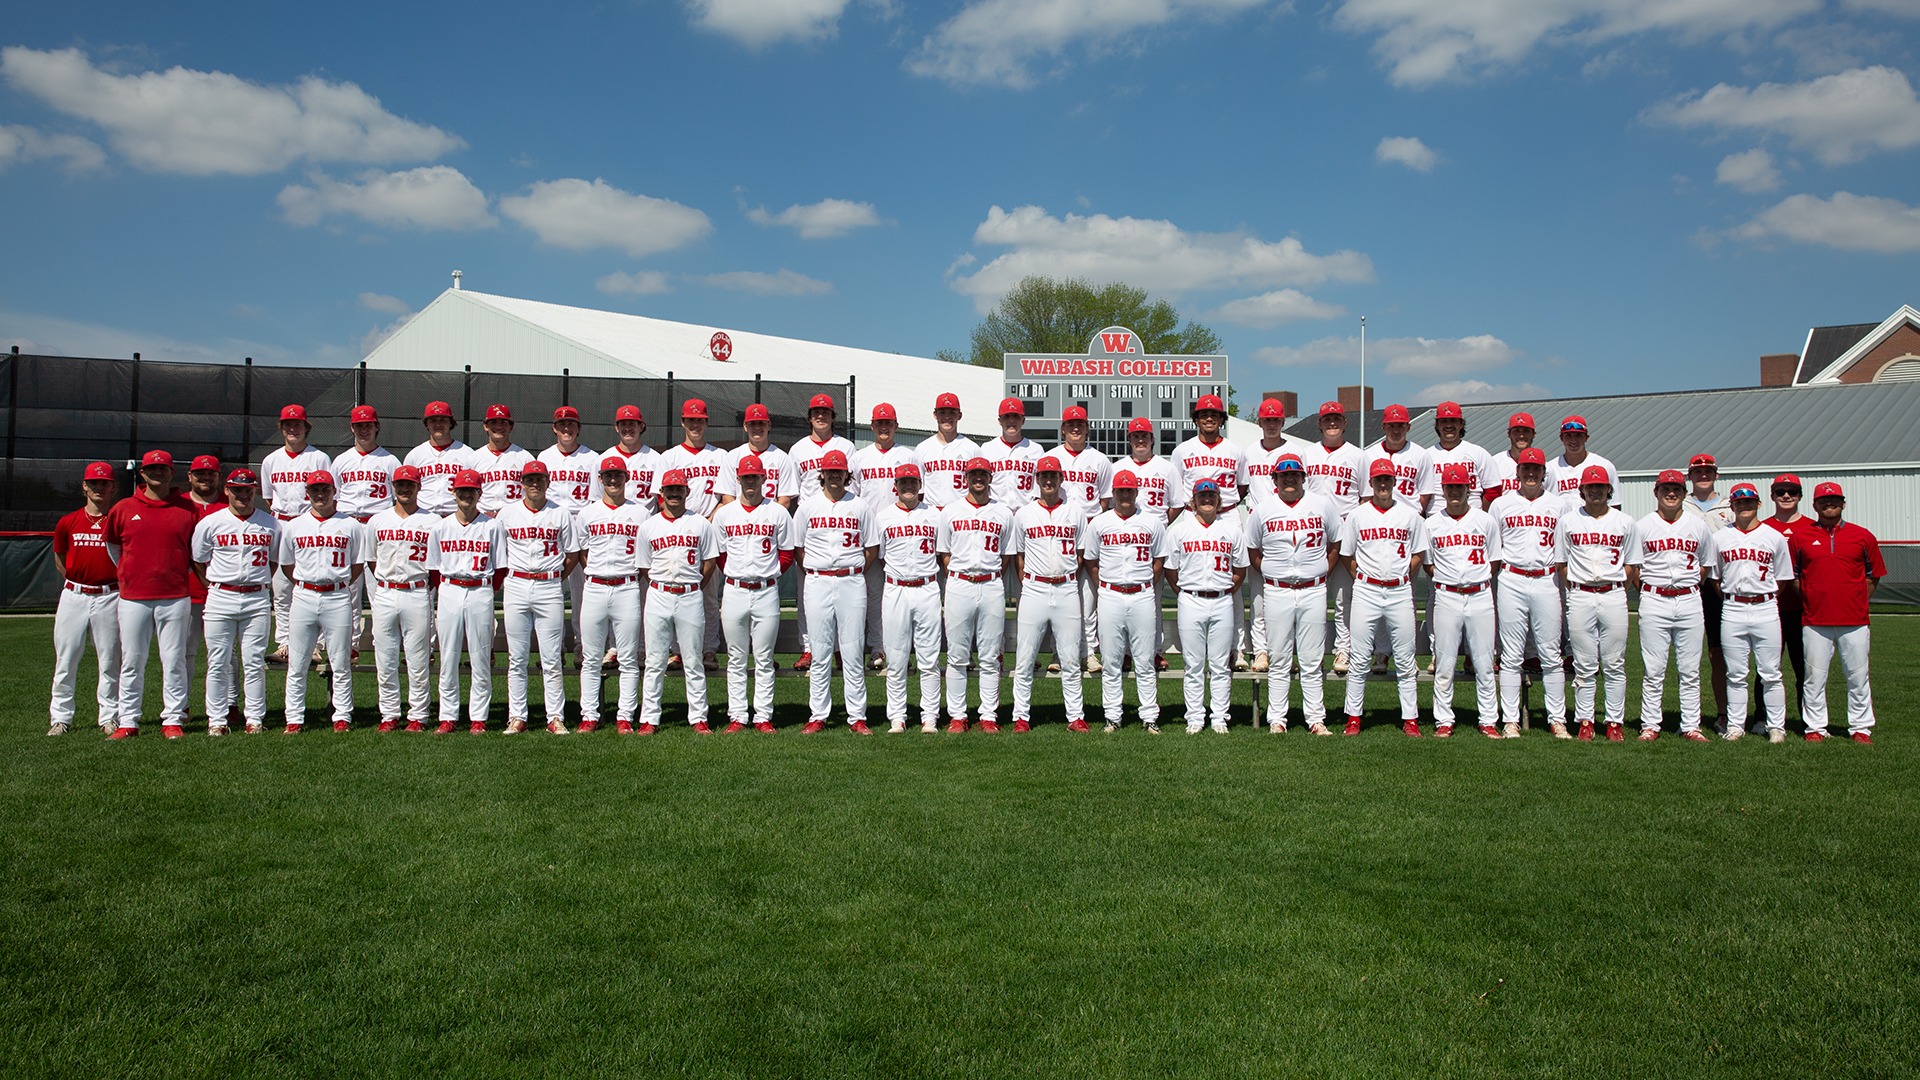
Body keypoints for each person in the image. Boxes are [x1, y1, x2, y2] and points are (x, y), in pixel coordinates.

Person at [105, 450, 199, 739]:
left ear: (173, 473)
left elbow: (195, 552)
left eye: (163, 468)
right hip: (133, 597)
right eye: (151, 469)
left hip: (174, 595)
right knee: (132, 660)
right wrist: (132, 574)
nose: (157, 473)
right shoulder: (122, 508)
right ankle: (128, 721)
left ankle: (173, 719)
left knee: (174, 660)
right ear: (142, 473)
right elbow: (114, 549)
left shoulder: (188, 509)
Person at [1245, 454, 1339, 734]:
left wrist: (1320, 571)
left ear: (1303, 477)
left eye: (1295, 474)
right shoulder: (1262, 509)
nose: (1289, 479)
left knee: (1311, 658)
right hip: (1278, 589)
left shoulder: (1322, 505)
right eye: (1284, 475)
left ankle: (1315, 719)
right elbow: (1253, 550)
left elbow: (1335, 544)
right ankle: (1277, 719)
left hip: (1313, 589)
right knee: (1279, 657)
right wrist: (1273, 573)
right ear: (1274, 479)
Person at [1338, 460, 1429, 736]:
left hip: (1399, 590)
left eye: (1387, 479)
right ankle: (1353, 717)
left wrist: (1402, 576)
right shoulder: (1358, 515)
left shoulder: (1411, 515)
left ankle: (1410, 719)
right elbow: (1346, 555)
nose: (1383, 485)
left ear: (1394, 482)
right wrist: (1364, 578)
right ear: (1372, 483)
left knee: (1404, 656)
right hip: (1367, 589)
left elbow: (1418, 553)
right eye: (1378, 480)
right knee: (1360, 657)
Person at [1793, 482, 1886, 743]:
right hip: (1815, 620)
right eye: (1823, 500)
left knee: (1858, 677)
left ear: (1843, 503)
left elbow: (1873, 576)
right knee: (1814, 677)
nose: (1829, 504)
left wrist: (1854, 600)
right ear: (1814, 505)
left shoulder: (1863, 536)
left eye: (1834, 500)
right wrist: (1814, 598)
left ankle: (1860, 727)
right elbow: (1795, 578)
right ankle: (1815, 727)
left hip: (1854, 620)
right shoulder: (1801, 537)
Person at [496, 460, 582, 735]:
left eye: (539, 479)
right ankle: (517, 716)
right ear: (521, 482)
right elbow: (499, 554)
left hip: (548, 586)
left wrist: (556, 576)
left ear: (548, 481)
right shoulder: (506, 514)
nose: (535, 483)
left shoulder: (561, 513)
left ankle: (555, 717)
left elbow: (571, 555)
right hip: (517, 584)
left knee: (551, 657)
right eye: (530, 479)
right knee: (517, 657)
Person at [277, 470, 367, 733]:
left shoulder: (349, 525)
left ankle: (342, 716)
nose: (320, 494)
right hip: (304, 594)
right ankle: (293, 718)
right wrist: (307, 584)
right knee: (298, 662)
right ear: (307, 492)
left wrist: (335, 583)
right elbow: (287, 565)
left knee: (340, 662)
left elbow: (357, 565)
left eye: (325, 489)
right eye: (315, 489)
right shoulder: (294, 526)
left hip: (337, 595)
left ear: (334, 491)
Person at [1488, 448, 1569, 737]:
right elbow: (1493, 547)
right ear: (1517, 472)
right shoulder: (1501, 504)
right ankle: (1510, 719)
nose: (1531, 473)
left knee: (1550, 653)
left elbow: (1565, 548)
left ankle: (1556, 718)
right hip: (1512, 577)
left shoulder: (1559, 505)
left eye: (1536, 469)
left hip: (1546, 580)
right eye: (1526, 469)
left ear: (1544, 473)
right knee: (1510, 655)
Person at [190, 468, 278, 735]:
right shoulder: (210, 522)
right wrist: (213, 586)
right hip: (221, 596)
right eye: (237, 489)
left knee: (253, 661)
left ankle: (254, 719)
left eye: (248, 489)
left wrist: (258, 582)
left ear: (255, 492)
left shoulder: (271, 523)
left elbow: (273, 561)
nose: (243, 494)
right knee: (218, 661)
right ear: (227, 490)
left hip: (256, 597)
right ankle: (216, 720)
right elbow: (198, 559)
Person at [793, 449, 875, 733]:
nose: (835, 475)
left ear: (846, 474)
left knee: (852, 650)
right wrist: (816, 571)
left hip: (851, 580)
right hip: (817, 580)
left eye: (839, 471)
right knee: (820, 649)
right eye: (830, 471)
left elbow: (872, 547)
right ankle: (818, 715)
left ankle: (857, 716)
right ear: (822, 474)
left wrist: (852, 569)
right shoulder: (808, 507)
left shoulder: (860, 505)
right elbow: (798, 548)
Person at [1710, 483, 1797, 742]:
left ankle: (1776, 727)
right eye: (1739, 502)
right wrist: (1732, 597)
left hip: (1766, 607)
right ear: (1732, 506)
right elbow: (1715, 578)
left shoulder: (1773, 536)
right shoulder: (1720, 537)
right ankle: (1736, 725)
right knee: (1735, 673)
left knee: (1771, 672)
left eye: (1749, 502)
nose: (1744, 506)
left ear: (1758, 504)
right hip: (1733, 607)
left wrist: (1765, 598)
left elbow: (1782, 578)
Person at [710, 455, 791, 734]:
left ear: (763, 479)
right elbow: (720, 555)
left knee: (764, 657)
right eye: (746, 477)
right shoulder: (724, 514)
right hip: (734, 589)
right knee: (735, 657)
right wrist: (736, 574)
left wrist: (768, 575)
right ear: (739, 480)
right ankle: (737, 716)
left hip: (766, 591)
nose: (750, 482)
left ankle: (763, 716)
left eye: (755, 477)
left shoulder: (777, 512)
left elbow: (788, 554)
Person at [1557, 466, 1639, 742]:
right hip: (1580, 594)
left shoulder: (1624, 521)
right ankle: (1586, 721)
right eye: (1590, 487)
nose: (1595, 491)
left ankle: (1614, 722)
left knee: (1615, 662)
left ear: (1609, 490)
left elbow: (1631, 565)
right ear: (1581, 491)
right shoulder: (1568, 521)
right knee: (1584, 663)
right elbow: (1561, 564)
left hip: (1613, 593)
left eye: (1600, 487)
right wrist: (1579, 587)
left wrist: (1614, 585)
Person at [1633, 470, 1716, 741]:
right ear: (1656, 492)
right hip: (1654, 598)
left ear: (1684, 493)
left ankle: (1691, 725)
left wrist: (1687, 585)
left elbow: (1705, 564)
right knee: (1654, 668)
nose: (1671, 493)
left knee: (1690, 668)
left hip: (1689, 598)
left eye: (1677, 489)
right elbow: (1634, 567)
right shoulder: (1643, 525)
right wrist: (1648, 590)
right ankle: (1650, 724)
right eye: (1666, 489)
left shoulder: (1698, 525)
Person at [1170, 394, 1250, 670]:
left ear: (1221, 420)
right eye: (1204, 414)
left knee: (1232, 589)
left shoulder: (1235, 450)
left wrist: (1221, 507)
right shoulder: (1182, 451)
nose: (1209, 418)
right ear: (1196, 419)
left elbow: (1242, 488)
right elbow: (1178, 488)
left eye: (1214, 414)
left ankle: (1236, 649)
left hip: (1227, 515)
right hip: (1193, 516)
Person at [1008, 456, 1088, 732]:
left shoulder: (1075, 512)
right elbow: (1019, 556)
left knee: (1069, 656)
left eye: (1053, 475)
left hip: (1066, 587)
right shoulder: (1024, 514)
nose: (1049, 480)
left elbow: (1081, 555)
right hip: (1034, 587)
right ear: (1037, 480)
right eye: (1044, 476)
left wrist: (1065, 577)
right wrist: (1031, 581)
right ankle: (1021, 716)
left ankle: (1075, 716)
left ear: (1061, 478)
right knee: (1025, 656)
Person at [637, 470, 720, 733]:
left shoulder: (701, 524)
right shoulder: (649, 525)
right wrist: (662, 585)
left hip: (689, 594)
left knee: (693, 659)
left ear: (687, 492)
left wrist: (693, 586)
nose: (674, 494)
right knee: (655, 660)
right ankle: (650, 718)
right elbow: (643, 566)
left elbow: (710, 562)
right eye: (669, 489)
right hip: (659, 593)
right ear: (661, 493)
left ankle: (698, 717)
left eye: (679, 489)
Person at [1163, 479, 1248, 733]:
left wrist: (1226, 589)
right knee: (1193, 664)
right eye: (1202, 496)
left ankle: (1220, 717)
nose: (1207, 500)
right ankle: (1195, 717)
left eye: (1211, 495)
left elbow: (1240, 569)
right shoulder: (1180, 530)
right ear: (1194, 501)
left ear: (1219, 500)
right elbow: (1170, 569)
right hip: (1191, 599)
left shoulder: (1232, 530)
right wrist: (1185, 591)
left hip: (1222, 600)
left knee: (1221, 664)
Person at [1085, 469, 1166, 732]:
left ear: (1136, 492)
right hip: (1110, 594)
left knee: (1144, 659)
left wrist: (1143, 584)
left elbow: (1159, 560)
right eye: (1120, 491)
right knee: (1111, 660)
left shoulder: (1152, 522)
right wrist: (1106, 586)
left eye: (1129, 490)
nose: (1125, 495)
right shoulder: (1099, 522)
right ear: (1114, 493)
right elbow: (1091, 561)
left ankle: (1149, 717)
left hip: (1142, 594)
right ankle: (1113, 716)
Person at [1423, 464, 1500, 738]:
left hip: (1480, 594)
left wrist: (1474, 580)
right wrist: (1449, 579)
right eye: (1450, 487)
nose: (1455, 491)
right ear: (1442, 490)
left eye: (1460, 486)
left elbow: (1494, 561)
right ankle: (1444, 720)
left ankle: (1488, 720)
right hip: (1447, 595)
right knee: (1444, 663)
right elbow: (1428, 565)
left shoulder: (1485, 520)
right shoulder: (1431, 524)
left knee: (1483, 662)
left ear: (1469, 489)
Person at [575, 456, 651, 734]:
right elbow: (583, 553)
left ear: (626, 478)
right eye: (608, 475)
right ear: (600, 479)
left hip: (628, 586)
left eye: (618, 475)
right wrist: (596, 574)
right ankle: (590, 715)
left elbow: (647, 553)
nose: (613, 480)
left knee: (629, 658)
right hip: (594, 586)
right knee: (591, 657)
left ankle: (624, 717)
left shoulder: (641, 513)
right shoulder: (587, 513)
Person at [939, 458, 1015, 732]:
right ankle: (958, 715)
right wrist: (963, 576)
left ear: (990, 478)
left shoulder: (1004, 512)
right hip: (959, 583)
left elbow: (1006, 555)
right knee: (957, 654)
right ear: (966, 477)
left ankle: (988, 716)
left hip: (991, 584)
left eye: (983, 474)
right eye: (974, 474)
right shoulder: (950, 511)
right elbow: (944, 555)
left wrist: (989, 575)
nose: (978, 479)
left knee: (990, 655)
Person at [426, 470, 505, 734]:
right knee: (447, 655)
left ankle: (479, 717)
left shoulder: (492, 526)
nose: (466, 495)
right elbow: (434, 570)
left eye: (471, 491)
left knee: (480, 656)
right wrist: (449, 590)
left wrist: (484, 592)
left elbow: (501, 569)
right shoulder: (440, 526)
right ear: (454, 493)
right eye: (462, 491)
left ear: (479, 493)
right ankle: (447, 716)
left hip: (480, 589)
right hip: (449, 589)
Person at [49, 462, 121, 736]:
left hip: (110, 595)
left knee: (110, 660)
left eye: (104, 483)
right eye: (93, 483)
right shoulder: (68, 521)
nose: (98, 488)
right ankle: (60, 718)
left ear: (113, 487)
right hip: (74, 595)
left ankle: (109, 717)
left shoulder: (118, 518)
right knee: (66, 659)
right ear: (84, 486)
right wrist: (77, 580)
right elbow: (60, 559)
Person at [654, 399, 727, 670]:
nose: (695, 424)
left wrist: (708, 520)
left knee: (707, 596)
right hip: (676, 532)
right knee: (674, 594)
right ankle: (677, 651)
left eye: (700, 419)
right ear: (683, 422)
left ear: (706, 422)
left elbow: (726, 497)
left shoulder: (719, 456)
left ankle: (708, 649)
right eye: (690, 419)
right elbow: (660, 499)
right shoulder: (670, 457)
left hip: (707, 531)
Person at [364, 464, 437, 732]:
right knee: (385, 657)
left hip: (417, 591)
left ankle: (418, 714)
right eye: (400, 485)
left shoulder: (433, 521)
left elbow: (437, 563)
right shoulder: (377, 520)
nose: (404, 489)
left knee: (418, 657)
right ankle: (390, 714)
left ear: (419, 487)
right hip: (385, 590)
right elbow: (372, 560)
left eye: (410, 484)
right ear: (392, 488)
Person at [787, 393, 857, 672]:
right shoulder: (798, 449)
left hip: (841, 518)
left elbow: (854, 486)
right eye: (816, 412)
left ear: (833, 417)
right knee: (808, 593)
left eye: (826, 412)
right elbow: (792, 493)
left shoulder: (846, 446)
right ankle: (810, 649)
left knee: (844, 595)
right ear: (809, 417)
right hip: (810, 520)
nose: (821, 416)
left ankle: (840, 649)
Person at [872, 463, 944, 733]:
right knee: (897, 657)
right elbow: (879, 557)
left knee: (929, 658)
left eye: (913, 482)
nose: (909, 487)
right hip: (896, 588)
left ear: (920, 484)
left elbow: (942, 552)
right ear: (896, 486)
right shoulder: (883, 517)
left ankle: (929, 717)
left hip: (927, 587)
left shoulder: (935, 516)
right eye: (904, 482)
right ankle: (898, 717)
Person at [260, 404, 331, 662]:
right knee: (281, 588)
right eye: (287, 424)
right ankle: (284, 643)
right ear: (281, 428)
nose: (292, 428)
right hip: (281, 524)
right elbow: (269, 498)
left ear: (306, 427)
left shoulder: (319, 458)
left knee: (315, 584)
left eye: (297, 424)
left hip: (309, 522)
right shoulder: (270, 460)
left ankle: (316, 645)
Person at [851, 403, 919, 671]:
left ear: (896, 426)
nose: (883, 426)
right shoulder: (859, 457)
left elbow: (916, 493)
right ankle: (877, 647)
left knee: (906, 595)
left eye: (888, 422)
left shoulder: (908, 456)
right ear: (872, 426)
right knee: (873, 595)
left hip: (900, 531)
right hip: (869, 533)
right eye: (879, 422)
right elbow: (854, 498)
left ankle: (906, 650)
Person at [1299, 401, 1365, 674]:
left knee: (1343, 599)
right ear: (1320, 423)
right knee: (1308, 597)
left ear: (1345, 422)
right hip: (1314, 535)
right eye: (1327, 419)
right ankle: (1306, 651)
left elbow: (1365, 497)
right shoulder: (1307, 453)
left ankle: (1343, 650)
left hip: (1346, 530)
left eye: (1337, 418)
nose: (1332, 423)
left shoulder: (1358, 455)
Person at [1050, 405, 1112, 674]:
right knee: (1060, 597)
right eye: (1070, 424)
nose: (1075, 428)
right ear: (1063, 428)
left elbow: (1105, 501)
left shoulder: (1100, 460)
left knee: (1087, 600)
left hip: (1088, 533)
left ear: (1087, 428)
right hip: (1059, 534)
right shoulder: (1051, 457)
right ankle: (1057, 651)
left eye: (1080, 424)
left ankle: (1089, 652)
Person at [334, 405, 398, 656]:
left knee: (377, 589)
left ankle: (380, 644)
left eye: (368, 425)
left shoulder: (390, 460)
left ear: (376, 427)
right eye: (359, 425)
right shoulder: (341, 461)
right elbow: (334, 495)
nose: (364, 430)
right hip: (348, 526)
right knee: (347, 589)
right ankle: (348, 645)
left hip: (376, 525)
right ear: (352, 428)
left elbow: (397, 497)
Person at [538, 404, 598, 661]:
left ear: (579, 428)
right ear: (554, 428)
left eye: (571, 424)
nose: (566, 428)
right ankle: (553, 647)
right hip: (552, 527)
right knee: (550, 589)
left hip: (580, 524)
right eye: (561, 424)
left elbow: (596, 498)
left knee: (582, 590)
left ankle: (582, 645)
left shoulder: (593, 458)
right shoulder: (543, 458)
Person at [1683, 452, 1735, 732]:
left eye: (1708, 471)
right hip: (1688, 584)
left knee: (1719, 653)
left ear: (1716, 474)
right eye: (1697, 471)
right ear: (1689, 476)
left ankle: (1724, 713)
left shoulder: (1731, 505)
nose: (1703, 476)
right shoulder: (1681, 503)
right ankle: (1687, 716)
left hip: (1718, 585)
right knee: (1686, 654)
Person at [1762, 473, 1812, 723]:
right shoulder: (1762, 527)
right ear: (1772, 496)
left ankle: (1808, 719)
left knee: (1805, 669)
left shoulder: (1813, 527)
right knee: (1766, 668)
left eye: (1791, 492)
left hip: (1803, 610)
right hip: (1769, 609)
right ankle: (1763, 718)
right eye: (1780, 492)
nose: (1786, 496)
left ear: (1800, 496)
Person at [1416, 401, 1499, 518]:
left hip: (1473, 518)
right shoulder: (1426, 455)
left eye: (1453, 420)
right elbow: (1421, 493)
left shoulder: (1478, 452)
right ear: (1437, 425)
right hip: (1436, 519)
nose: (1448, 425)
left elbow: (1493, 490)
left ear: (1461, 424)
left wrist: (1480, 514)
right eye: (1444, 421)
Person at [715, 403, 799, 510]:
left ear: (769, 425)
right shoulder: (733, 456)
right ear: (745, 426)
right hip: (739, 520)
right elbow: (727, 497)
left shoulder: (782, 457)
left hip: (768, 521)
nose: (757, 427)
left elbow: (785, 500)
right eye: (752, 423)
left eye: (761, 423)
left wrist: (763, 518)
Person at [403, 400, 473, 516]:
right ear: (426, 424)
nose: (438, 424)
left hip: (455, 517)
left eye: (443, 420)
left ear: (450, 423)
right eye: (433, 420)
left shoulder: (467, 454)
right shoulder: (415, 455)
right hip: (423, 516)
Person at [915, 392, 979, 511]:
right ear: (935, 415)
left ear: (959, 415)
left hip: (962, 512)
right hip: (931, 512)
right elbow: (919, 490)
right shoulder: (922, 448)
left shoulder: (972, 448)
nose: (947, 417)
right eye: (942, 412)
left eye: (952, 412)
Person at [979, 396, 1041, 510]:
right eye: (1007, 416)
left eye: (1016, 416)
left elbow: (1039, 490)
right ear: (999, 421)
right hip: (995, 512)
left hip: (1026, 512)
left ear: (1023, 420)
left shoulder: (1036, 450)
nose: (1011, 421)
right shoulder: (987, 449)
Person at [472, 404, 534, 516]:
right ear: (486, 426)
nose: (498, 426)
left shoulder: (525, 457)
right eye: (493, 422)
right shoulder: (474, 458)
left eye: (503, 423)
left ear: (511, 427)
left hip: (516, 517)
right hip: (482, 517)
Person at [1362, 403, 1425, 511]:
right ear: (1383, 427)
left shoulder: (1421, 454)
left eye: (1400, 425)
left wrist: (1414, 515)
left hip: (1409, 516)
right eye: (1391, 425)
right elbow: (1364, 492)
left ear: (1408, 427)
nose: (1396, 430)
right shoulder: (1368, 455)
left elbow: (1425, 494)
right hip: (1376, 516)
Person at [1547, 416, 1621, 505]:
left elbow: (1614, 504)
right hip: (1559, 518)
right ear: (1561, 438)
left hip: (1592, 518)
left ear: (1586, 437)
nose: (1573, 440)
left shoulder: (1604, 465)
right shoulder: (1550, 468)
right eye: (1568, 435)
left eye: (1578, 435)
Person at [605, 404, 660, 509]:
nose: (627, 428)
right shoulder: (604, 459)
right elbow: (597, 498)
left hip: (646, 521)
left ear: (641, 426)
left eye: (631, 424)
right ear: (617, 428)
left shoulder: (656, 459)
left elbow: (661, 499)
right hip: (616, 521)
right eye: (623, 424)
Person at [1486, 412, 1537, 498]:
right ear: (1509, 434)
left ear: (1534, 434)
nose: (1521, 436)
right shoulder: (1495, 463)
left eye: (1526, 431)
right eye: (1516, 431)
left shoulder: (1543, 466)